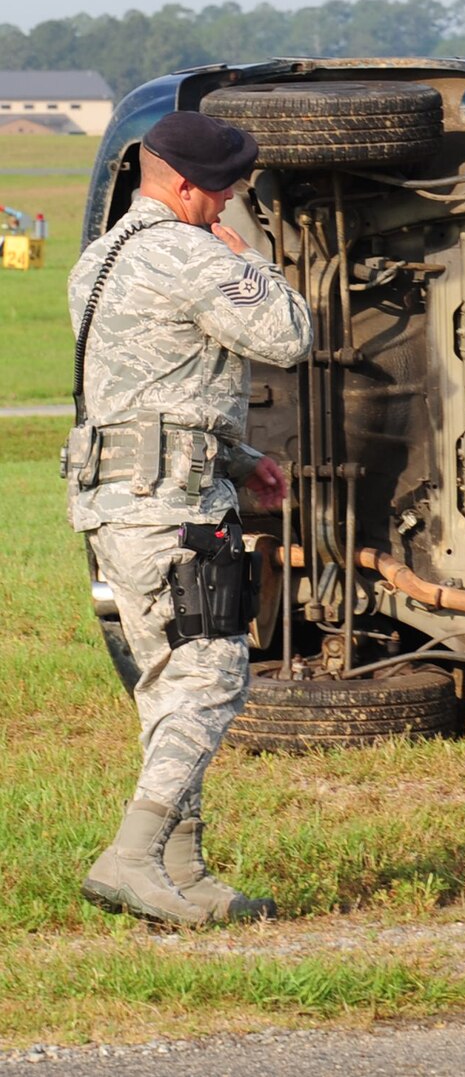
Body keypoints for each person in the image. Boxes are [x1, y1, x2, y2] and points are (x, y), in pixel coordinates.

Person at [64, 111, 312, 925]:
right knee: (210, 674)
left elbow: (145, 388)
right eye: (224, 186)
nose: (232, 198)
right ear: (179, 184)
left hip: (117, 499)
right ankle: (132, 855)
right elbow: (289, 336)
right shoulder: (189, 253)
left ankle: (182, 871)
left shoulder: (99, 260)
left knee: (170, 683)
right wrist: (255, 264)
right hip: (168, 508)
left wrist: (241, 463)